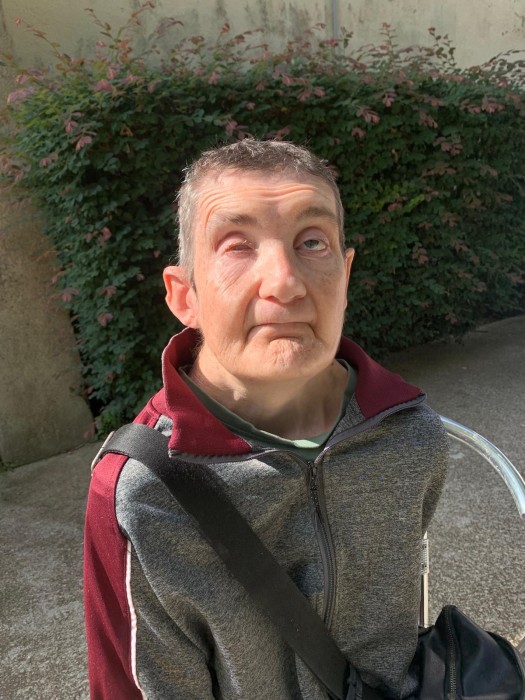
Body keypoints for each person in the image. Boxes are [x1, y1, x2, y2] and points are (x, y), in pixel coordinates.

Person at [84, 139, 448, 699]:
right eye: (237, 246)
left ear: (345, 275)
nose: (285, 282)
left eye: (312, 241)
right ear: (184, 296)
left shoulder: (407, 433)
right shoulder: (140, 494)